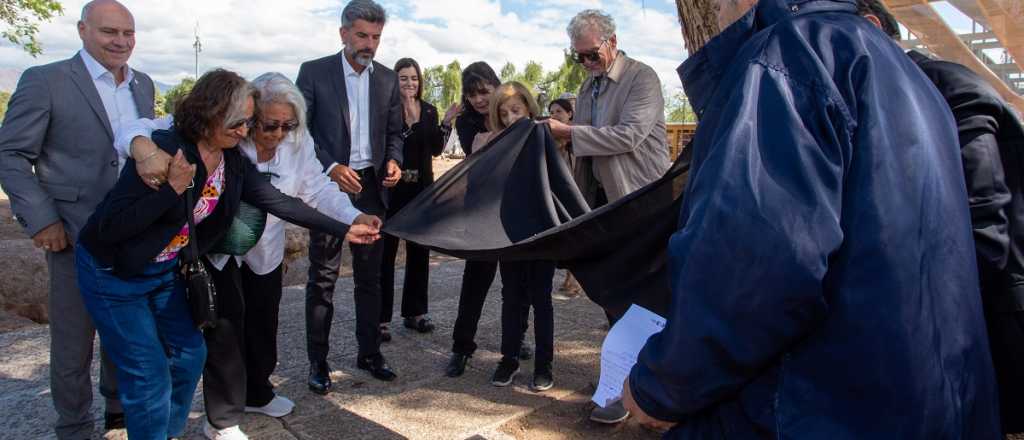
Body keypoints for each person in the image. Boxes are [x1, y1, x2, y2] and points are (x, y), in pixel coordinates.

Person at [620, 0, 1000, 437]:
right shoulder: (912, 76)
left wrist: (660, 387)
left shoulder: (792, 53)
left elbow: (754, 267)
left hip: (811, 407)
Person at [74, 69, 380, 440]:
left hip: (165, 268)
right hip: (117, 272)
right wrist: (165, 181)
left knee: (189, 356)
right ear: (212, 114)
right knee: (150, 372)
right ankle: (172, 428)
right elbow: (112, 229)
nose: (249, 131)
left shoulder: (230, 159)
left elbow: (280, 201)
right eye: (247, 123)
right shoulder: (168, 147)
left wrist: (347, 226)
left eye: (252, 123)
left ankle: (167, 431)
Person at [858, 1, 1024, 434]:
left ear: (872, 28)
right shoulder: (893, 93)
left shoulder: (949, 88)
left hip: (988, 319)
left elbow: (983, 232)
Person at [0, 1, 152, 437]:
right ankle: (74, 425)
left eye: (128, 32)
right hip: (73, 234)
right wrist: (43, 219)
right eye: (109, 32)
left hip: (132, 234)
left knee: (124, 330)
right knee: (73, 343)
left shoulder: (141, 85)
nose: (121, 42)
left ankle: (118, 411)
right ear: (83, 30)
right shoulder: (45, 81)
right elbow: (11, 156)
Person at [540, 9, 671, 424]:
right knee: (616, 301)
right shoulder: (588, 85)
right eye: (578, 57)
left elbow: (629, 135)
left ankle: (652, 390)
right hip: (604, 209)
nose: (586, 63)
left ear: (612, 42)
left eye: (592, 55)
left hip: (644, 205)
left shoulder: (642, 78)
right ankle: (621, 387)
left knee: (650, 303)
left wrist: (570, 133)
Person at [297, 0, 404, 390]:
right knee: (323, 278)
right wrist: (329, 166)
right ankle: (318, 363)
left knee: (370, 279)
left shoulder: (388, 80)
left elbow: (395, 134)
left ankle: (370, 353)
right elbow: (299, 132)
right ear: (343, 33)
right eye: (362, 35)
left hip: (372, 191)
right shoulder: (313, 72)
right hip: (329, 189)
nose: (369, 44)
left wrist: (393, 160)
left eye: (375, 37)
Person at [441, 61, 533, 378]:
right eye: (471, 95)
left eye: (483, 91)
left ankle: (516, 338)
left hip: (515, 209)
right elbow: (483, 154)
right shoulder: (467, 123)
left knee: (516, 283)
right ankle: (461, 346)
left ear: (496, 86)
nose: (478, 99)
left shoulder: (515, 109)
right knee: (475, 281)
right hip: (481, 210)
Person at [483, 82, 559, 392]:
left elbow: (559, 183)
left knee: (542, 299)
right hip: (509, 231)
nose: (511, 118)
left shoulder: (542, 137)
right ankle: (509, 358)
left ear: (529, 108)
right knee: (511, 296)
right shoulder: (497, 143)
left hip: (542, 230)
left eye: (516, 111)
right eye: (504, 114)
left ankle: (544, 365)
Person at [378, 57, 444, 341]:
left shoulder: (429, 111)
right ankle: (380, 319)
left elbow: (438, 149)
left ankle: (415, 313)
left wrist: (447, 123)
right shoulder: (386, 110)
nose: (409, 83)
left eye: (414, 78)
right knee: (386, 255)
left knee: (419, 253)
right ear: (395, 80)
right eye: (403, 78)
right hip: (392, 190)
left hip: (422, 190)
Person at [545, 98, 583, 298]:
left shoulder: (580, 137)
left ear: (569, 114)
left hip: (579, 193)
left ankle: (574, 279)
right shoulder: (550, 141)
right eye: (551, 112)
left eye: (559, 111)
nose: (554, 115)